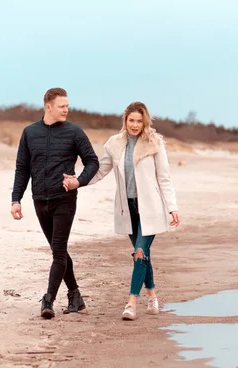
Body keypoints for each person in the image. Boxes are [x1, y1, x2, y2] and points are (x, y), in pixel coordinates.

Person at [63, 101, 179, 320]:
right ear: (125, 120)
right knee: (142, 255)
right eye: (131, 120)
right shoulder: (115, 144)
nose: (135, 125)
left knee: (140, 253)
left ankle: (131, 303)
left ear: (145, 121)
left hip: (151, 208)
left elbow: (164, 178)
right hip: (128, 208)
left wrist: (172, 207)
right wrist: (78, 182)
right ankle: (152, 293)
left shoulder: (155, 143)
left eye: (139, 121)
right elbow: (100, 171)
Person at [11, 87, 99, 319]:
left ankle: (48, 300)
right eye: (62, 106)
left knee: (58, 251)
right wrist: (15, 199)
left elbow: (92, 161)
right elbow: (23, 168)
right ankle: (75, 295)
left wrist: (78, 182)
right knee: (58, 250)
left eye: (67, 106)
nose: (66, 110)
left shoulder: (74, 132)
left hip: (64, 199)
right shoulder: (30, 133)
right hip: (40, 199)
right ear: (48, 107)